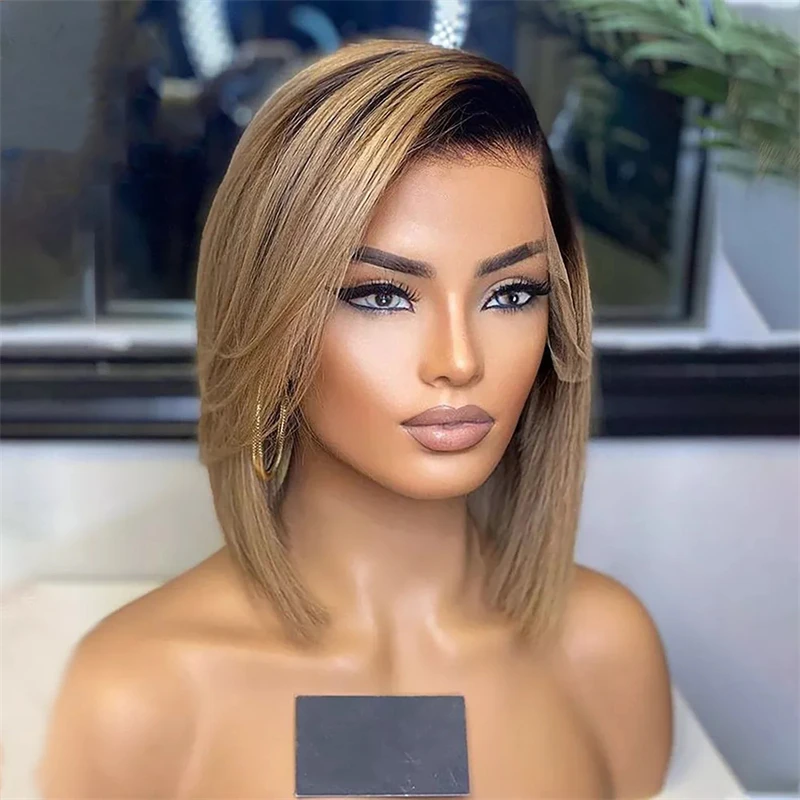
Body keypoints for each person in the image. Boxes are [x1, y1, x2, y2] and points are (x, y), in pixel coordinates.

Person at [39, 38, 673, 798]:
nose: (459, 359)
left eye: (510, 294)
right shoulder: (140, 697)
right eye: (381, 295)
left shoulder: (607, 655)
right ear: (269, 314)